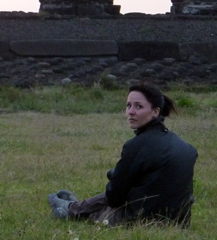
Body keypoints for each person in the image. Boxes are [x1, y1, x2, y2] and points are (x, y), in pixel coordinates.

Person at [48, 82, 198, 226]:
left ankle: (72, 210)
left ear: (155, 111)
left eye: (138, 106)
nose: (130, 112)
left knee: (105, 211)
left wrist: (117, 176)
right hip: (179, 222)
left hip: (143, 221)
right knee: (130, 186)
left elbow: (114, 198)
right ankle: (74, 207)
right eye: (128, 105)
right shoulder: (186, 146)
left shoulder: (136, 146)